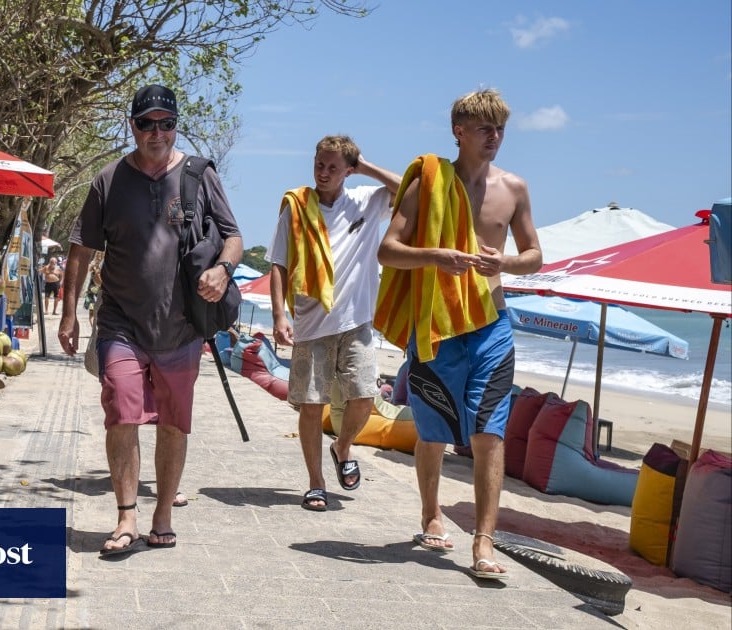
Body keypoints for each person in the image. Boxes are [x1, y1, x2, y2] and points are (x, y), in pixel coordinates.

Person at [58, 84, 242, 556]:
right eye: (146, 124)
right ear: (132, 126)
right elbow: (82, 249)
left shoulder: (199, 175)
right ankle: (126, 516)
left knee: (173, 423)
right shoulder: (108, 181)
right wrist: (69, 313)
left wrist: (223, 270)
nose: (156, 133)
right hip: (121, 322)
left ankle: (162, 514)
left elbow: (233, 236)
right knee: (122, 411)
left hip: (182, 327)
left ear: (175, 126)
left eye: (166, 123)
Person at [375, 88, 542, 580]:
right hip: (437, 327)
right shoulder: (428, 184)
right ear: (459, 132)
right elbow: (388, 250)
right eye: (485, 129)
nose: (495, 137)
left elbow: (534, 256)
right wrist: (435, 256)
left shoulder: (514, 187)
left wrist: (505, 262)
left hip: (492, 326)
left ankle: (483, 540)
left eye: (500, 129)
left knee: (488, 432)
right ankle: (431, 513)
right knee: (434, 431)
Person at [266, 136, 400, 511]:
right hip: (311, 323)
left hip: (357, 322)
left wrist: (365, 165)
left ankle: (342, 446)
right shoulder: (296, 208)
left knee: (364, 396)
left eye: (333, 168)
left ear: (348, 171)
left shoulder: (365, 201)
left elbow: (410, 189)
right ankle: (316, 482)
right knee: (312, 406)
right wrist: (278, 314)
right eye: (319, 165)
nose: (323, 173)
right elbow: (278, 264)